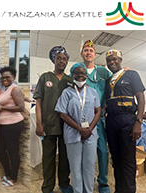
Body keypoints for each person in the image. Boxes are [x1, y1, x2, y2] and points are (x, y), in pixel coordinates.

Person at [69, 40, 111, 193]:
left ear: (94, 54)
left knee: (102, 151)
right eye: (85, 50)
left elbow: (114, 82)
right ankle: (87, 178)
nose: (88, 53)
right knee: (82, 151)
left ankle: (103, 181)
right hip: (80, 118)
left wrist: (125, 71)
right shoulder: (76, 69)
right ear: (82, 54)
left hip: (98, 117)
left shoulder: (103, 72)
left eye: (91, 51)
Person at [55, 65, 101, 193]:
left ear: (87, 76)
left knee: (89, 166)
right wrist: (80, 130)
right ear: (73, 75)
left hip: (90, 134)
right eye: (77, 73)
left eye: (83, 73)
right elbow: (62, 114)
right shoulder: (67, 92)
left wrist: (89, 129)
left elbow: (98, 111)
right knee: (75, 167)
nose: (80, 75)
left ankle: (88, 191)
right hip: (73, 134)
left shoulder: (93, 92)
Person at [104, 50, 145, 193]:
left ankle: (129, 190)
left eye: (114, 59)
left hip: (128, 120)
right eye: (109, 60)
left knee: (128, 160)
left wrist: (138, 122)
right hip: (112, 121)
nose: (112, 62)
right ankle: (119, 189)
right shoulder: (108, 80)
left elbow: (140, 98)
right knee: (116, 159)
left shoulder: (131, 74)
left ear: (120, 60)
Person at [34, 46, 73, 193]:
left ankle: (64, 184)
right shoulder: (45, 77)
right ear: (54, 60)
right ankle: (47, 187)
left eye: (64, 59)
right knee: (48, 159)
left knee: (65, 158)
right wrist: (39, 124)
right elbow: (38, 101)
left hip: (67, 127)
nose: (62, 61)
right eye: (59, 58)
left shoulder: (70, 80)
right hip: (48, 126)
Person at [0, 67, 25, 187]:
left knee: (13, 151)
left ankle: (14, 178)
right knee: (0, 149)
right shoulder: (5, 90)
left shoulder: (15, 89)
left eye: (8, 77)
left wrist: (3, 108)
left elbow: (21, 107)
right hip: (2, 124)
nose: (5, 79)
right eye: (3, 77)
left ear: (14, 78)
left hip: (13, 124)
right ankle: (7, 174)